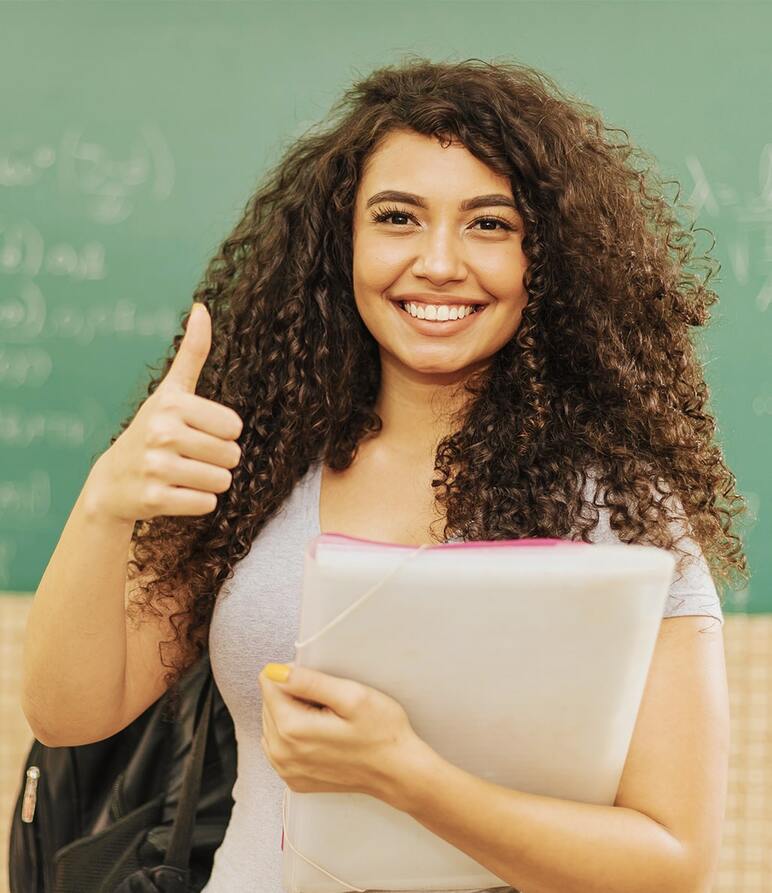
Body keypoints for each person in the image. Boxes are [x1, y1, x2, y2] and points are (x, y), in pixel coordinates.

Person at [23, 56, 749, 893]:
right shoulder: (260, 461)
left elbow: (672, 861)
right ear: (345, 241)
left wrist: (407, 776)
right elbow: (67, 711)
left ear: (544, 259)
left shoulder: (622, 505)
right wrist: (106, 502)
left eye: (489, 224)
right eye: (398, 217)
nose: (438, 263)